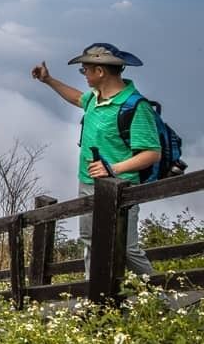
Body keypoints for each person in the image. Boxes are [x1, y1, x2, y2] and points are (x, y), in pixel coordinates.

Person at [32, 43, 159, 277]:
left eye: (85, 70)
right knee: (91, 240)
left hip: (123, 187)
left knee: (127, 249)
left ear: (100, 72)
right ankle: (95, 300)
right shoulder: (95, 98)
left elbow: (152, 153)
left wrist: (112, 168)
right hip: (89, 183)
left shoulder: (135, 106)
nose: (84, 75)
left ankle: (161, 299)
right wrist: (49, 80)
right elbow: (78, 99)